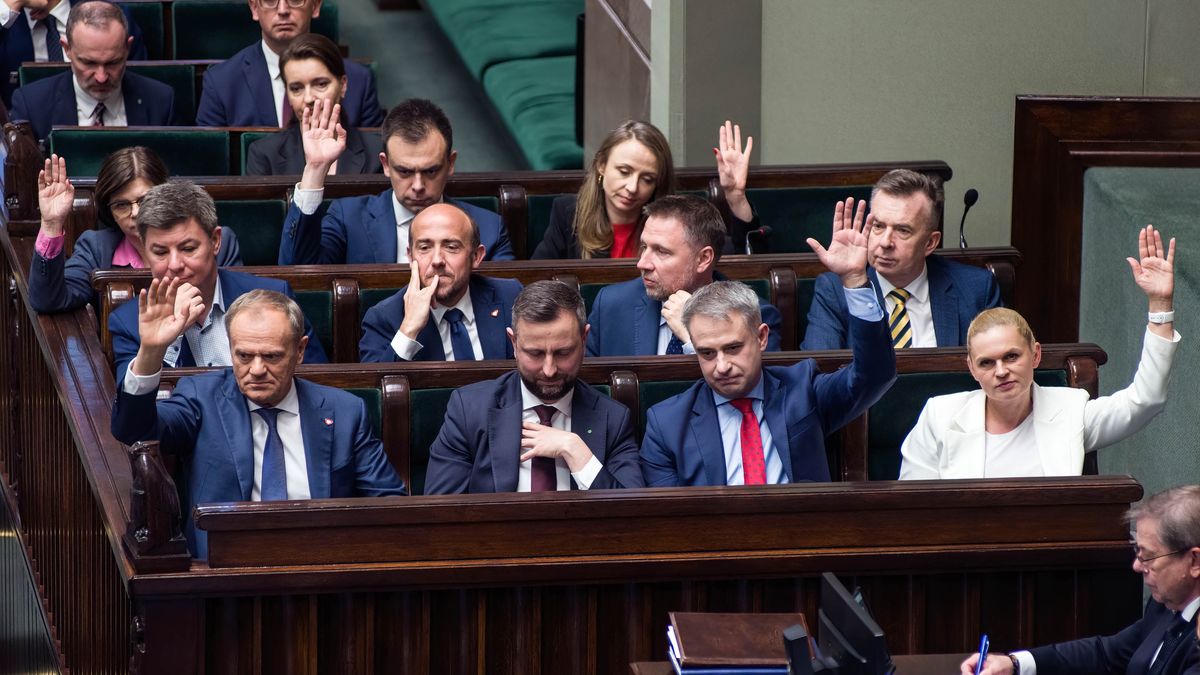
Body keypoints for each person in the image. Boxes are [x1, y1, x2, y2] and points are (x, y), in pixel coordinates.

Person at [111, 288, 406, 558]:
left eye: (271, 356)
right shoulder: (202, 397)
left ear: (300, 351)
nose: (257, 369)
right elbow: (134, 430)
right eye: (244, 355)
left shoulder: (345, 411)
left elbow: (389, 504)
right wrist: (150, 353)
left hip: (321, 575)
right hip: (223, 578)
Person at [900, 225, 1179, 480]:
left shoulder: (1070, 411)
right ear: (972, 369)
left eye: (1011, 356)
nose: (1001, 371)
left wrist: (1160, 305)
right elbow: (911, 508)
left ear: (1035, 355)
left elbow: (1146, 400)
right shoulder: (940, 416)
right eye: (986, 363)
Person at [639, 280, 895, 486]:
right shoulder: (667, 424)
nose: (722, 366)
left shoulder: (803, 390)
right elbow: (672, 519)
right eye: (707, 353)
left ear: (761, 337)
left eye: (733, 348)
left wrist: (855, 283)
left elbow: (875, 374)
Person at [424, 280, 644, 494]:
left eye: (563, 352)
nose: (549, 370)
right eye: (535, 353)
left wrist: (575, 450)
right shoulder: (470, 410)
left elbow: (635, 517)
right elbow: (439, 514)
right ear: (514, 343)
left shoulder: (613, 419)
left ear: (584, 339)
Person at [961, 485, 1200, 675]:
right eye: (1137, 552)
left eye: (1148, 556)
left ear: (1194, 561)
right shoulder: (1165, 606)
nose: (1137, 566)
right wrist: (1014, 664)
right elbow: (1108, 653)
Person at [108, 180, 326, 384]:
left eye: (188, 248)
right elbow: (130, 418)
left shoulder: (274, 296)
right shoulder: (128, 323)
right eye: (160, 252)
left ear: (215, 241)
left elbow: (318, 387)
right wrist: (159, 346)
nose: (174, 264)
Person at [278, 97, 514, 265]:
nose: (418, 186)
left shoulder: (489, 229)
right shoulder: (348, 218)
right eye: (404, 172)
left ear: (450, 163)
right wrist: (316, 169)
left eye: (431, 171)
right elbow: (298, 271)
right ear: (386, 165)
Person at [801, 169, 1001, 350]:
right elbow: (819, 375)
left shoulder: (976, 289)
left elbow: (1003, 367)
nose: (885, 242)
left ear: (930, 243)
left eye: (903, 230)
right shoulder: (835, 291)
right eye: (878, 226)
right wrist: (854, 280)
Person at [27, 149, 243, 314]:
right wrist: (52, 224)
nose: (136, 212)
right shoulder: (96, 248)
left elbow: (237, 308)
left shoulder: (215, 242)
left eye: (144, 199)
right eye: (122, 205)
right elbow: (48, 300)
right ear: (109, 211)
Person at [585, 194, 782, 356]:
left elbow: (749, 397)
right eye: (644, 247)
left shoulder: (753, 315)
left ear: (703, 258)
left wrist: (692, 337)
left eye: (662, 251)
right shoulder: (612, 305)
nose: (642, 263)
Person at [531, 119, 759, 259]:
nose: (632, 187)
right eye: (624, 171)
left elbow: (741, 261)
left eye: (647, 179)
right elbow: (536, 280)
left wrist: (735, 196)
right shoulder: (568, 213)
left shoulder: (679, 220)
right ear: (601, 165)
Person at [359, 203, 521, 362]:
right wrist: (409, 328)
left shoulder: (511, 297)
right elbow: (379, 384)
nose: (437, 260)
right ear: (410, 257)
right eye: (424, 248)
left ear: (476, 256)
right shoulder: (384, 318)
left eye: (451, 247)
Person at [195, 0, 382, 128]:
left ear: (315, 6)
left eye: (294, 0)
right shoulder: (220, 82)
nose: (283, 9)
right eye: (270, 0)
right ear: (254, 8)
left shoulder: (359, 80)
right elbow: (210, 168)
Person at [9, 0, 172, 142]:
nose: (101, 77)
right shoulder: (32, 106)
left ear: (128, 48)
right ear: (67, 50)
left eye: (112, 63)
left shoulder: (161, 102)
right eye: (88, 63)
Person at [244, 33, 382, 176]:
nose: (309, 98)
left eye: (321, 84)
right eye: (296, 88)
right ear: (288, 95)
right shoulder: (264, 154)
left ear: (343, 85)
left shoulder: (377, 151)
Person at [0, 0, 147, 106]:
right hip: (20, 130)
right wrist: (6, 9)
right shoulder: (6, 20)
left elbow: (139, 91)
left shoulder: (112, 19)